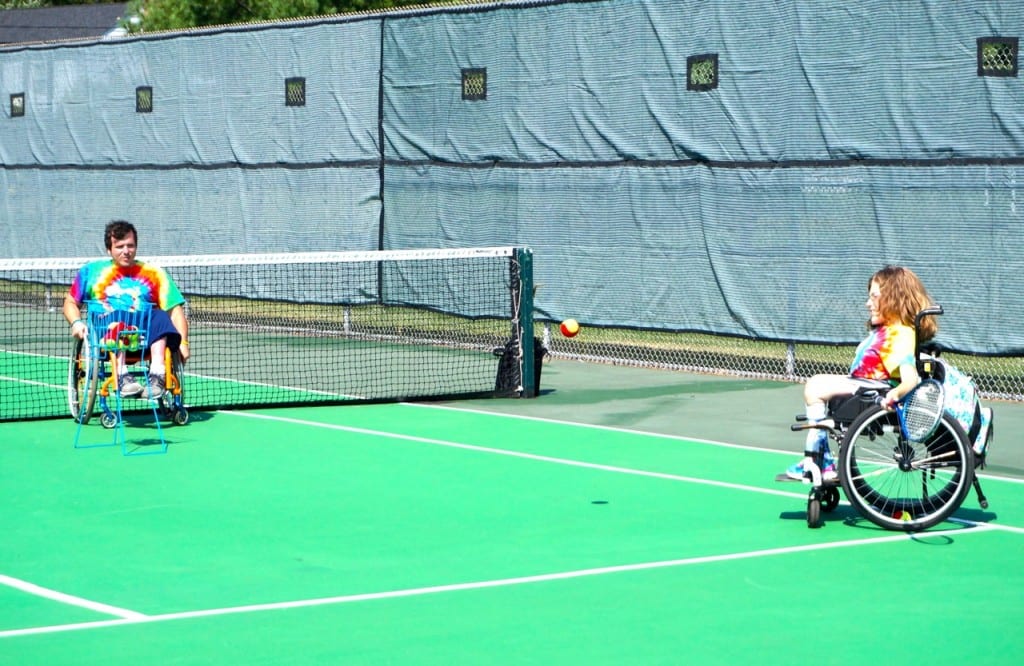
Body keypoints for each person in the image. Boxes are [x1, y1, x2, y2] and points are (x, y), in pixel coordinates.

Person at [786, 265, 937, 480]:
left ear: (894, 297)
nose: (868, 304)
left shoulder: (899, 334)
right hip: (866, 385)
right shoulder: (890, 330)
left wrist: (894, 396)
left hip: (875, 390)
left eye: (874, 297)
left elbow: (910, 379)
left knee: (815, 386)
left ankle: (819, 460)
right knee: (817, 384)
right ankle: (821, 459)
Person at [63, 220, 190, 399]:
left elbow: (175, 311)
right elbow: (70, 302)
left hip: (144, 335)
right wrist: (76, 322)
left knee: (160, 316)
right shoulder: (90, 272)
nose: (126, 251)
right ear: (109, 249)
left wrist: (183, 343)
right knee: (118, 317)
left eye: (130, 245)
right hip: (106, 334)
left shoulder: (154, 274)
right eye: (120, 246)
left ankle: (157, 376)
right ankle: (121, 376)